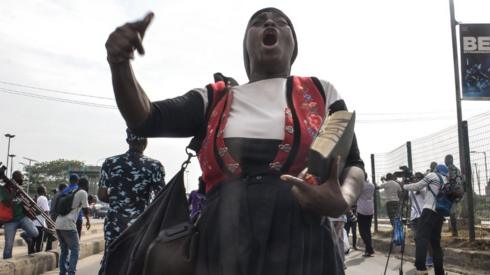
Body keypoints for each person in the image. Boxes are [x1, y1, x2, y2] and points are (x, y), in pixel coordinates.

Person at [105, 7, 365, 274]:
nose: (269, 23)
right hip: (222, 247)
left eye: (281, 22)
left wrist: (342, 199)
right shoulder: (214, 97)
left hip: (306, 246)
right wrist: (119, 63)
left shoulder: (321, 91)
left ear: (293, 44)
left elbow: (354, 163)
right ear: (246, 44)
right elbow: (146, 118)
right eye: (258, 22)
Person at [97, 129, 165, 274]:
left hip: (114, 223)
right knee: (136, 263)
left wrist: (118, 201)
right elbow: (161, 197)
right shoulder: (154, 166)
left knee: (112, 260)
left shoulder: (109, 163)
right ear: (146, 141)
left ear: (128, 141)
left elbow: (102, 195)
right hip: (140, 224)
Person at [403, 164, 448, 275]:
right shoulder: (446, 180)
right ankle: (439, 271)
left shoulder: (433, 175)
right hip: (439, 215)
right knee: (435, 244)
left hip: (429, 211)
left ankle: (421, 268)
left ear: (436, 170)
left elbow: (418, 186)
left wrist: (405, 186)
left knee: (421, 238)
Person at [55, 173, 91, 275]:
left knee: (64, 250)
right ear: (86, 184)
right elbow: (85, 208)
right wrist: (88, 220)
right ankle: (71, 272)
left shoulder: (71, 190)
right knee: (75, 249)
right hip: (68, 224)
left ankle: (62, 272)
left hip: (58, 223)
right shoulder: (83, 192)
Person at [0, 171, 39, 259]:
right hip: (10, 221)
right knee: (8, 246)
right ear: (14, 179)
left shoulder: (20, 189)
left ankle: (25, 235)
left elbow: (25, 202)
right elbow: (7, 203)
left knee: (35, 233)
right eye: (19, 178)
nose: (21, 180)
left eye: (21, 178)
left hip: (22, 217)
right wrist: (14, 191)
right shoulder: (3, 189)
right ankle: (7, 265)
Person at [356, 174, 375, 257]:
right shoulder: (372, 185)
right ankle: (368, 250)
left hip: (362, 209)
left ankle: (369, 248)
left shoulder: (360, 185)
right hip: (370, 208)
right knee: (367, 230)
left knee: (362, 231)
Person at [45, 183, 67, 251]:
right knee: (57, 233)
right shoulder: (61, 195)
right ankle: (52, 248)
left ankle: (49, 248)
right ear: (64, 188)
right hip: (57, 216)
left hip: (53, 215)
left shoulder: (56, 195)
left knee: (53, 232)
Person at [444, 154, 462, 237]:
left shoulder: (448, 170)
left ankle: (454, 232)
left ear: (449, 160)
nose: (445, 161)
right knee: (452, 213)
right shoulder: (457, 169)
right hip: (455, 194)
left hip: (451, 194)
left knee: (451, 213)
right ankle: (454, 231)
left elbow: (447, 182)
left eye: (446, 160)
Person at [29, 185, 50, 253]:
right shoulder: (44, 198)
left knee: (33, 241)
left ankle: (31, 254)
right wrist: (48, 224)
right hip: (40, 224)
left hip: (34, 223)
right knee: (39, 243)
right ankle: (39, 255)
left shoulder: (37, 198)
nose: (46, 191)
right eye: (45, 190)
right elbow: (46, 211)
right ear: (43, 191)